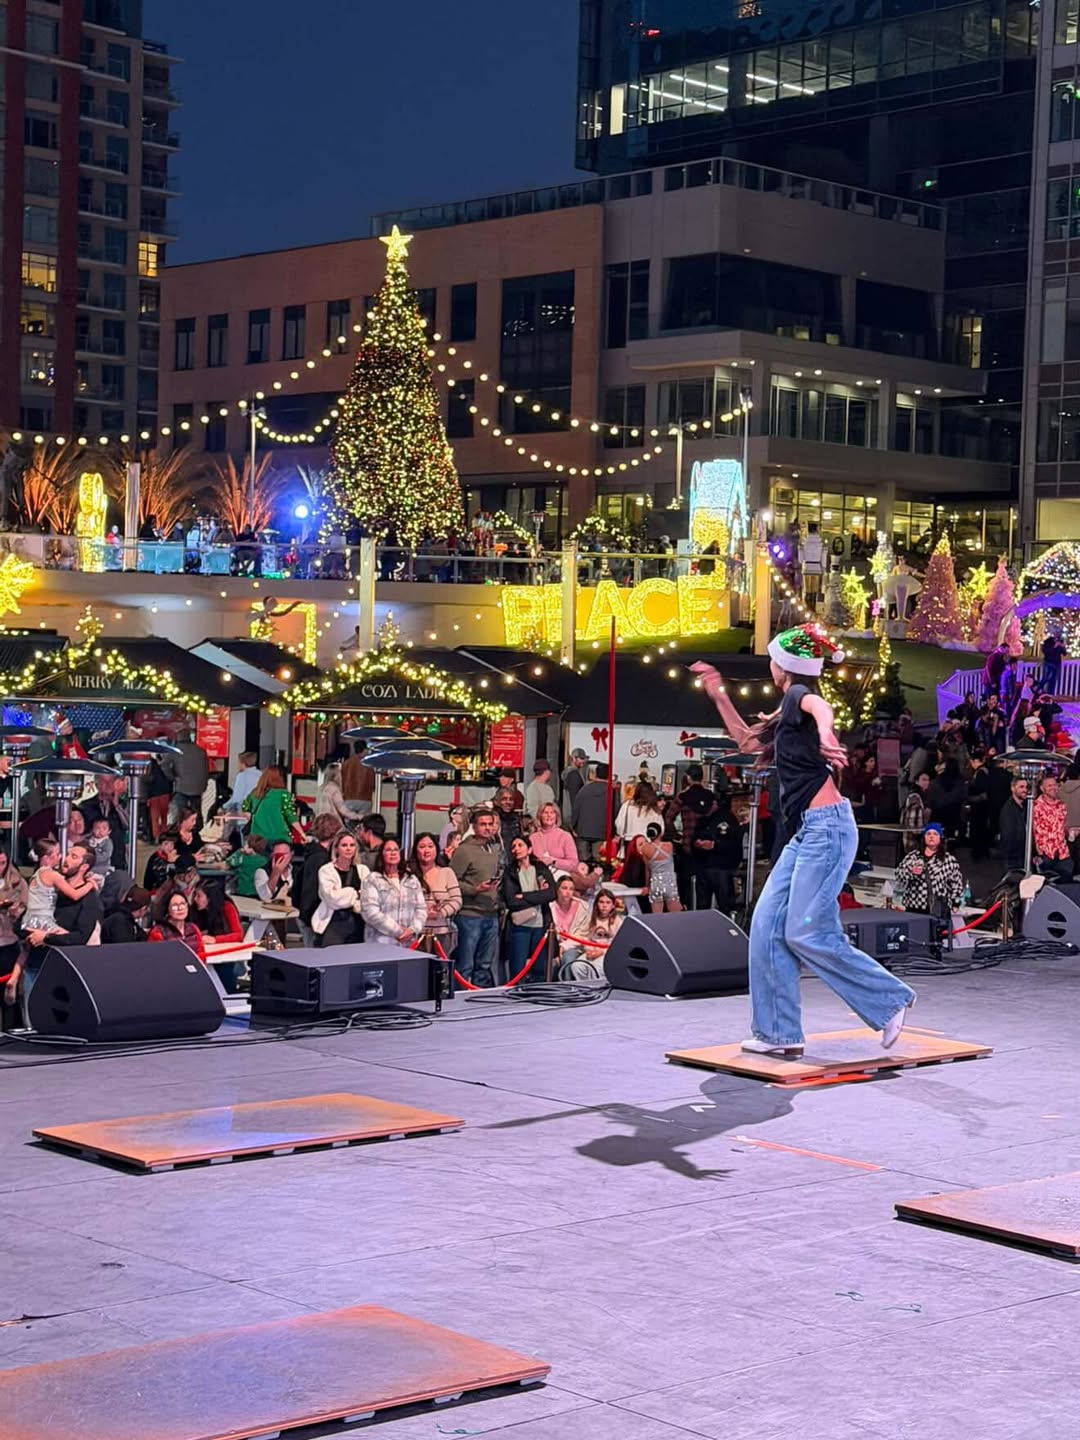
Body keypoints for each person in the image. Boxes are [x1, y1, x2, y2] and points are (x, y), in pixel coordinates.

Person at [692, 625, 916, 1058]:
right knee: (765, 927)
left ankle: (889, 1000)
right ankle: (778, 1033)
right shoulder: (786, 715)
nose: (770, 667)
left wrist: (828, 733)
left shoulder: (799, 695)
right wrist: (718, 695)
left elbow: (819, 706)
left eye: (773, 660)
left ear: (785, 666)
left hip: (827, 830)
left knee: (805, 932)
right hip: (808, 834)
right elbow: (745, 740)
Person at [21, 844, 103, 995]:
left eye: (73, 857)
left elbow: (81, 937)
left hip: (63, 972)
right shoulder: (50, 887)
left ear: (84, 867)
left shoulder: (89, 899)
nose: (66, 859)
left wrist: (46, 937)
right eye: (68, 854)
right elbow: (23, 923)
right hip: (35, 966)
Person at [450, 807, 502, 987]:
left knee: (484, 966)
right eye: (483, 824)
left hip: (491, 913)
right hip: (470, 915)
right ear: (474, 826)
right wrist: (474, 889)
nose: (488, 828)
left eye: (490, 824)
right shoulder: (464, 851)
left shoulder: (494, 848)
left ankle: (480, 998)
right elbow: (452, 882)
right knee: (465, 965)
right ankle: (460, 998)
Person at [500, 835, 556, 980]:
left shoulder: (540, 868)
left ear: (529, 849)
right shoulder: (510, 871)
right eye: (513, 846)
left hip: (541, 924)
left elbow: (551, 893)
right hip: (520, 925)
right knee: (517, 968)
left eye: (520, 845)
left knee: (540, 967)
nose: (516, 849)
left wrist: (525, 896)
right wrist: (539, 895)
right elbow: (512, 901)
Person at [666, 764, 718, 907]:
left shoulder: (682, 796)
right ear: (702, 777)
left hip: (688, 844)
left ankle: (687, 906)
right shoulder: (711, 796)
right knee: (705, 880)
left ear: (688, 778)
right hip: (708, 845)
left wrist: (677, 835)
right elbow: (716, 814)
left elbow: (668, 818)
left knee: (687, 880)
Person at [361, 838, 427, 947]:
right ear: (381, 855)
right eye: (388, 850)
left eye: (396, 850)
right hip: (379, 944)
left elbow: (421, 908)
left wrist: (413, 929)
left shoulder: (412, 880)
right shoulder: (372, 879)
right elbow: (370, 912)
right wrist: (398, 931)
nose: (393, 853)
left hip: (408, 944)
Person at [894, 823, 965, 915]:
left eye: (935, 834)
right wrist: (911, 872)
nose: (931, 836)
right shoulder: (913, 856)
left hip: (938, 908)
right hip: (914, 906)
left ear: (940, 838)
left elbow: (956, 884)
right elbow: (898, 875)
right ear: (924, 837)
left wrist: (955, 903)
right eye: (928, 834)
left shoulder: (948, 860)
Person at [312, 831, 369, 947]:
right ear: (336, 848)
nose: (348, 849)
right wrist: (355, 893)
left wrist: (343, 894)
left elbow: (368, 897)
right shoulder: (326, 870)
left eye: (352, 845)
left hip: (359, 923)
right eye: (344, 845)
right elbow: (332, 899)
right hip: (333, 922)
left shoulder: (363, 870)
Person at [530, 801, 599, 893]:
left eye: (552, 812)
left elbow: (573, 863)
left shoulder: (565, 836)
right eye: (545, 813)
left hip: (562, 880)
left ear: (557, 816)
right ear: (540, 816)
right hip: (540, 879)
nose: (549, 815)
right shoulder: (533, 838)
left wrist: (553, 861)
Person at [691, 793, 744, 913]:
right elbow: (694, 837)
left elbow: (734, 845)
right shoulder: (702, 820)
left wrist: (715, 845)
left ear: (714, 804)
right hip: (703, 866)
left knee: (725, 905)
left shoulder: (728, 819)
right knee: (702, 906)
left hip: (722, 867)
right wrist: (697, 844)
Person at [297, 814, 343, 947]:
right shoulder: (322, 858)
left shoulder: (312, 854)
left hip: (305, 913)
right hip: (313, 915)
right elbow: (313, 890)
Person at [410, 833, 462, 951]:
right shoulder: (409, 875)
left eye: (430, 846)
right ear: (416, 851)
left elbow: (457, 900)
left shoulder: (447, 872)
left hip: (441, 933)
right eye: (422, 847)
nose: (426, 850)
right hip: (415, 933)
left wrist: (441, 913)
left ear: (437, 849)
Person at [78, 775, 129, 871]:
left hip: (117, 858)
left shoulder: (121, 804)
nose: (108, 786)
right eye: (104, 782)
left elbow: (128, 826)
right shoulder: (86, 806)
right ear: (97, 784)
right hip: (94, 862)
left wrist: (116, 806)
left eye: (111, 782)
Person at [0, 851, 29, 1018]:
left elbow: (25, 907)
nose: (0, 867)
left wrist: (15, 911)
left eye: (3, 863)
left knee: (9, 992)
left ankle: (11, 1026)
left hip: (9, 939)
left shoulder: (17, 881)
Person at [1033, 773, 1074, 881]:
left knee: (1066, 884)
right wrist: (1039, 853)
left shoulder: (1062, 805)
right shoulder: (1035, 806)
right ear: (1042, 788)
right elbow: (1032, 830)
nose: (1053, 788)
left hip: (1062, 853)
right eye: (1049, 785)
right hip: (1044, 854)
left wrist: (1070, 832)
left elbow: (1062, 827)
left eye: (1055, 785)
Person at [572, 763, 615, 863]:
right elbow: (615, 811)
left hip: (583, 830)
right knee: (599, 861)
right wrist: (614, 832)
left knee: (583, 863)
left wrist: (573, 826)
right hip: (602, 832)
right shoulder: (611, 791)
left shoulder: (584, 789)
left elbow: (576, 808)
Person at [243, 766, 297, 843]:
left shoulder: (255, 793)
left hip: (257, 838)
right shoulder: (283, 794)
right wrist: (302, 834)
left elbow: (245, 809)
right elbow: (291, 816)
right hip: (279, 837)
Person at [148, 889, 206, 961]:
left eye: (183, 904)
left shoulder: (193, 928)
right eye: (175, 906)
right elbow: (155, 959)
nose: (180, 908)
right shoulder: (158, 932)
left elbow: (202, 956)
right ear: (167, 910)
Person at [163, 731, 210, 821]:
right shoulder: (200, 751)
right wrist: (204, 783)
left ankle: (181, 826)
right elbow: (206, 769)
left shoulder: (175, 751)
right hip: (198, 788)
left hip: (181, 787)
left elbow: (164, 765)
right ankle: (197, 826)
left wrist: (172, 777)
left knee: (180, 813)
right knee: (196, 812)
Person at [550, 874, 591, 976]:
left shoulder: (582, 907)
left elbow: (582, 934)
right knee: (550, 963)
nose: (568, 892)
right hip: (553, 945)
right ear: (557, 889)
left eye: (571, 889)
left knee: (568, 959)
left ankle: (567, 985)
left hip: (574, 946)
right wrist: (556, 949)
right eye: (564, 888)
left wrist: (563, 947)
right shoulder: (549, 906)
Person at [640, 821, 681, 913]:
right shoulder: (669, 845)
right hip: (669, 883)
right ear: (660, 833)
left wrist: (647, 885)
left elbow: (647, 869)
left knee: (657, 916)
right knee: (676, 915)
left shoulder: (645, 848)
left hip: (655, 883)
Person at [615, 780, 665, 847]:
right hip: (648, 843)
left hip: (629, 841)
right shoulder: (654, 809)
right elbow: (661, 829)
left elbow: (619, 824)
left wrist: (621, 834)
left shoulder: (627, 805)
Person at [928, 758, 966, 840]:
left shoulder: (937, 780)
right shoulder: (961, 781)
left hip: (938, 813)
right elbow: (963, 796)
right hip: (955, 814)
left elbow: (931, 797)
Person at [998, 776, 1030, 873]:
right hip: (1013, 858)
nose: (1025, 790)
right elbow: (1008, 836)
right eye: (1021, 787)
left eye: (1026, 787)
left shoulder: (1025, 806)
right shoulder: (1008, 810)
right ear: (1012, 788)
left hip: (1022, 856)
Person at [315, 761, 356, 827]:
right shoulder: (334, 788)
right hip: (332, 825)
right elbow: (344, 811)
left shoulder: (321, 788)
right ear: (336, 776)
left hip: (320, 824)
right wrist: (359, 816)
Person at [254, 839, 293, 904]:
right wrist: (275, 874)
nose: (281, 858)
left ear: (291, 854)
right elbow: (265, 897)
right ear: (272, 855)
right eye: (278, 855)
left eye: (284, 854)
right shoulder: (262, 872)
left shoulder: (298, 871)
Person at [341, 742, 375, 816]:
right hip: (365, 798)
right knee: (364, 821)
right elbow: (373, 782)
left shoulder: (346, 763)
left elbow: (341, 780)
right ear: (364, 749)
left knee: (349, 821)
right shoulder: (369, 763)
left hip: (348, 798)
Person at [560, 746, 588, 825]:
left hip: (568, 815)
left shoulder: (569, 773)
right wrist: (576, 818)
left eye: (584, 758)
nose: (583, 761)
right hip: (572, 816)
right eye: (581, 758)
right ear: (573, 758)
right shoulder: (574, 775)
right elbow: (574, 798)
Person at [900, 771, 932, 839]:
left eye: (928, 780)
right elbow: (913, 821)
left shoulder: (924, 796)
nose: (927, 782)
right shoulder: (915, 797)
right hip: (913, 836)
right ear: (916, 781)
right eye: (924, 780)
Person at [1041, 628, 1067, 696]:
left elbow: (1064, 653)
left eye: (1058, 633)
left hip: (1057, 664)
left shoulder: (1061, 641)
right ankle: (1038, 692)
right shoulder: (1048, 641)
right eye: (1056, 632)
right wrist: (1054, 646)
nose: (1057, 634)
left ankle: (1050, 696)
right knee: (1045, 679)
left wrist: (1063, 647)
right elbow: (1045, 651)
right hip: (1048, 663)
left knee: (1053, 681)